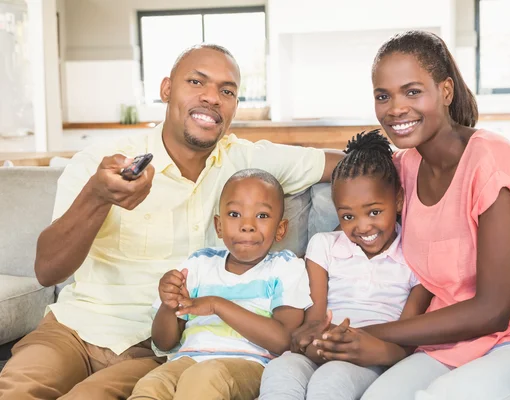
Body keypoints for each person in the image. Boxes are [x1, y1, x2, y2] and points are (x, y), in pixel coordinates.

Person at [0, 44, 343, 400]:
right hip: (73, 327)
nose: (212, 97)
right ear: (166, 89)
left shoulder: (247, 160)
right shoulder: (102, 161)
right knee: (16, 391)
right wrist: (97, 197)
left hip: (156, 346)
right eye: (197, 82)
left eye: (227, 91)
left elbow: (347, 166)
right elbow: (47, 271)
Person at [313, 31, 510, 399]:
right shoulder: (404, 169)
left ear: (445, 91)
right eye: (383, 96)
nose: (395, 108)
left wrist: (373, 332)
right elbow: (355, 183)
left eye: (412, 91)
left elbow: (493, 311)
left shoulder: (490, 158)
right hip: (452, 345)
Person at [260, 130, 430, 400]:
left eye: (374, 212)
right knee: (281, 368)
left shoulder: (417, 255)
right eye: (348, 216)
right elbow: (314, 321)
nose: (363, 226)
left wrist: (376, 350)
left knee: (331, 378)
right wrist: (312, 340)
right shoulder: (324, 246)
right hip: (326, 346)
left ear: (397, 200)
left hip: (374, 355)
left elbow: (409, 339)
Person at [129, 169, 312, 400]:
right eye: (235, 214)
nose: (247, 225)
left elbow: (283, 341)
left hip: (249, 365)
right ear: (218, 226)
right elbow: (164, 343)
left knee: (204, 377)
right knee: (151, 384)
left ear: (280, 229)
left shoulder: (285, 267)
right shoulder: (199, 263)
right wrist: (168, 304)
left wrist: (217, 305)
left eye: (262, 216)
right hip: (186, 360)